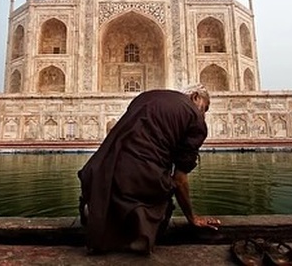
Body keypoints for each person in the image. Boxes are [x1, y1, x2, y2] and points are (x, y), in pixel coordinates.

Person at [77, 84, 220, 255]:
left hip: (102, 173)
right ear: (196, 97)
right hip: (143, 179)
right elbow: (180, 179)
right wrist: (192, 217)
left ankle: (94, 210)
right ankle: (139, 234)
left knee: (122, 185)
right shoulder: (194, 118)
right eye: (205, 108)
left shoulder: (148, 97)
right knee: (163, 205)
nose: (203, 115)